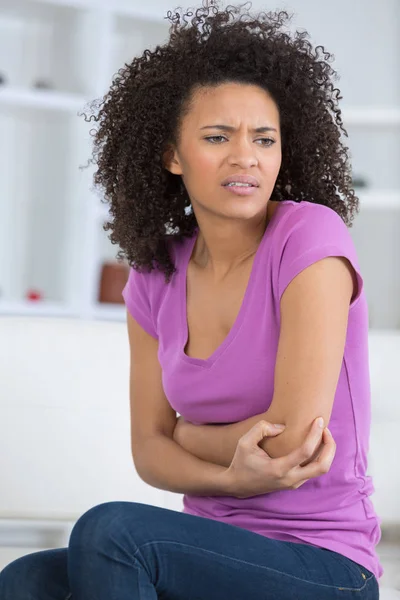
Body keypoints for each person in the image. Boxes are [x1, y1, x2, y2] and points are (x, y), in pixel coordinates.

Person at [0, 1, 382, 598]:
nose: (245, 157)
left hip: (323, 564)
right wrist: (230, 478)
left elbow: (291, 442)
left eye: (264, 138)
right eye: (216, 136)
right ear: (172, 155)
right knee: (25, 580)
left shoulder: (309, 237)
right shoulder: (154, 274)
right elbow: (149, 453)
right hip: (206, 545)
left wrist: (189, 436)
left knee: (112, 531)